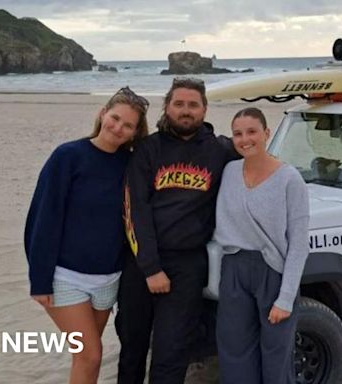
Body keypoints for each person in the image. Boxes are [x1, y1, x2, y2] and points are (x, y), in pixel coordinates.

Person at [116, 77, 238, 384]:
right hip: (141, 262)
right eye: (179, 103)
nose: (186, 110)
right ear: (167, 106)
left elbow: (258, 163)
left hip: (187, 266)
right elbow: (135, 211)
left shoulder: (220, 151)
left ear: (204, 110)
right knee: (132, 348)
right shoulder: (147, 149)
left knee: (171, 355)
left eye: (193, 105)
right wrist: (151, 267)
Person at [24, 87, 149, 384]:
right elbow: (43, 219)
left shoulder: (130, 165)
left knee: (85, 358)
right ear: (102, 113)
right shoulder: (68, 156)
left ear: (134, 133)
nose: (118, 128)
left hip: (109, 279)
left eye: (127, 125)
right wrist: (39, 280)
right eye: (115, 118)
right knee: (90, 354)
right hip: (65, 278)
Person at [213, 107, 310, 384]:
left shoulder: (289, 179)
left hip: (272, 272)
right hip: (233, 268)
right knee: (234, 350)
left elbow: (299, 242)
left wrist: (286, 297)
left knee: (276, 355)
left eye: (252, 132)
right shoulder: (230, 171)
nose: (245, 139)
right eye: (238, 134)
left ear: (267, 133)